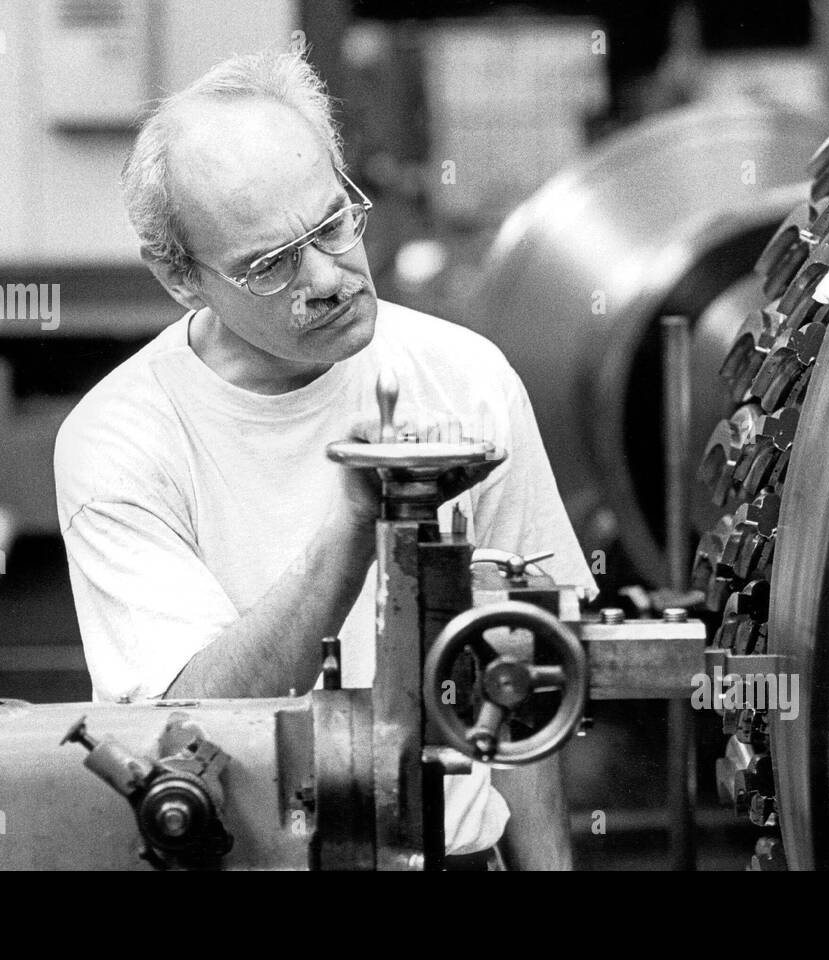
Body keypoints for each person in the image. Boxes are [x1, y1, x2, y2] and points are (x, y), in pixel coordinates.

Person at [53, 50, 596, 869]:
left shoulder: (466, 379)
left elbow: (521, 678)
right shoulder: (122, 443)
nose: (329, 278)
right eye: (270, 264)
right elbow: (196, 718)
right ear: (179, 277)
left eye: (334, 223)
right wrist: (354, 523)